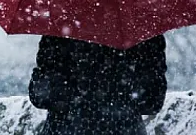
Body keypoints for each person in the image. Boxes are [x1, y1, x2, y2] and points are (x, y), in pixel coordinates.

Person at [28, 34, 167, 135]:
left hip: (65, 128)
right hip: (125, 128)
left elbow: (40, 96)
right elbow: (152, 101)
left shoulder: (60, 28)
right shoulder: (141, 31)